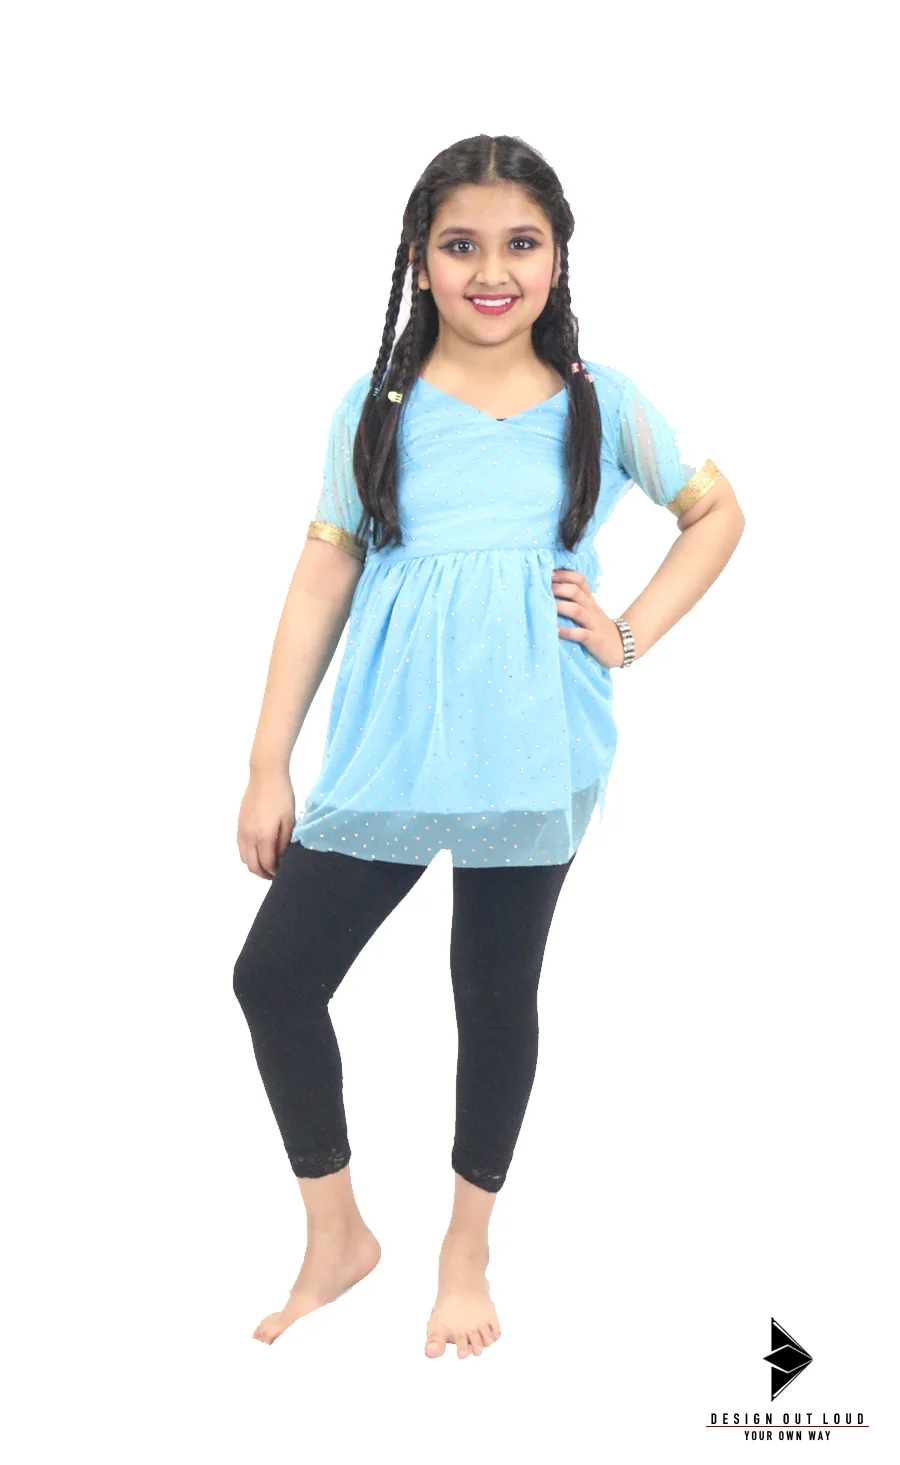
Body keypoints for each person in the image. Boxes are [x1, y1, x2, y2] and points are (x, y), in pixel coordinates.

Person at [232, 133, 745, 1357]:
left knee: (492, 989)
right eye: (461, 246)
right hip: (393, 745)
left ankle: (466, 1249)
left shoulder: (602, 400)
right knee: (275, 976)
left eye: (522, 243)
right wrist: (266, 761)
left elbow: (716, 511)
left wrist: (627, 632)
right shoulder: (375, 407)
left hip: (536, 741)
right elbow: (322, 578)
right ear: (420, 260)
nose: (492, 271)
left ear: (558, 255)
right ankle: (337, 1233)